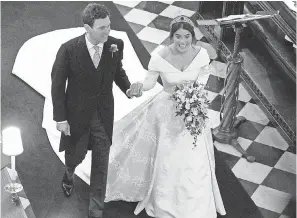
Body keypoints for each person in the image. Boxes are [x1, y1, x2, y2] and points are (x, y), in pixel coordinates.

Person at [105, 15, 226, 218]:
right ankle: (162, 199)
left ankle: (194, 203)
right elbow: (150, 83)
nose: (182, 41)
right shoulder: (160, 56)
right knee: (166, 155)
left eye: (187, 36)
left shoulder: (202, 55)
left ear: (193, 37)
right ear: (171, 37)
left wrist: (193, 95)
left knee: (193, 156)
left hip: (192, 112)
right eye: (178, 36)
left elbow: (204, 76)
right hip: (167, 110)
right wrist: (137, 88)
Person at [51, 3, 141, 218]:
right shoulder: (69, 49)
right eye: (102, 28)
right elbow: (57, 85)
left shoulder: (115, 45)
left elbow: (117, 72)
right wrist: (61, 118)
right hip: (77, 116)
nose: (107, 31)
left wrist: (128, 89)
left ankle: (96, 210)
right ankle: (69, 173)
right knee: (75, 155)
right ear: (87, 28)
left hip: (103, 115)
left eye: (109, 26)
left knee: (101, 164)